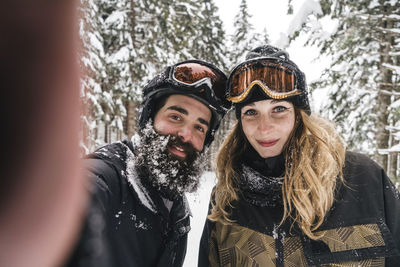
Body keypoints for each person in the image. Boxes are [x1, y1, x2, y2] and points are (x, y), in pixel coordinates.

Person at [198, 45, 400, 266]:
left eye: (279, 109)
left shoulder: (363, 179)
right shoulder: (227, 199)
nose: (264, 128)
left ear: (298, 115)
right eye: (251, 112)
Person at [66, 60, 230, 267]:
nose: (186, 135)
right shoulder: (106, 179)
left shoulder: (175, 205)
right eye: (176, 116)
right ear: (149, 119)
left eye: (199, 128)